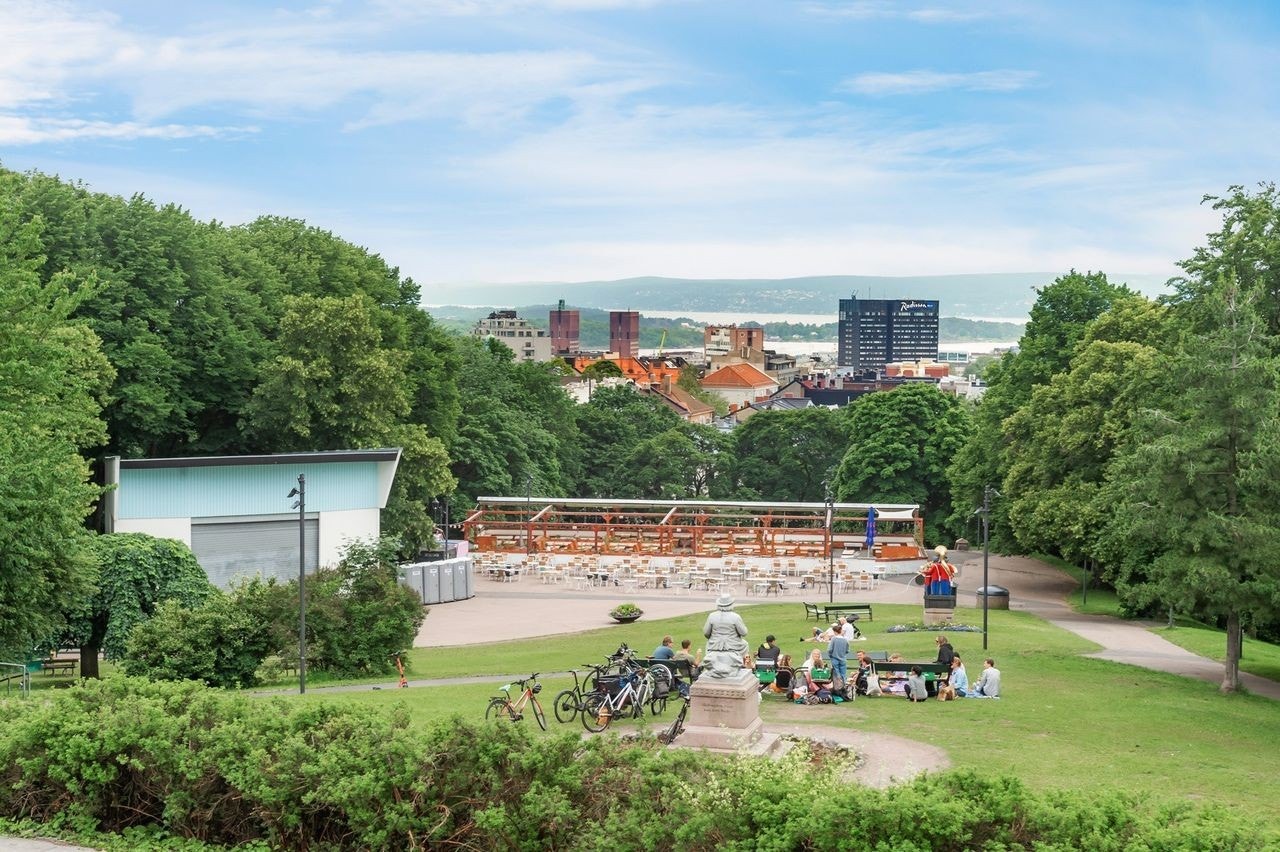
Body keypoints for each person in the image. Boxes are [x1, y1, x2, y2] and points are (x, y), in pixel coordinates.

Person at [701, 594, 749, 679]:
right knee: (745, 644)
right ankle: (736, 665)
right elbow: (744, 632)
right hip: (733, 644)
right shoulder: (735, 617)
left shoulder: (712, 616)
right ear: (731, 604)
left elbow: (706, 633)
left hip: (715, 644)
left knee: (708, 643)